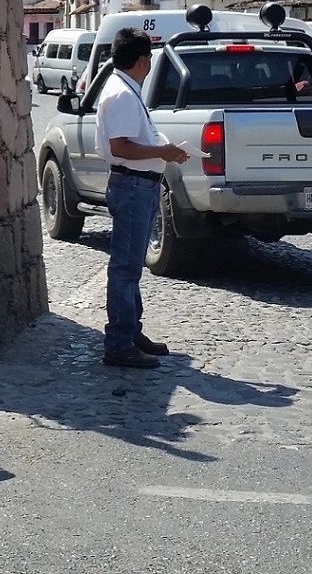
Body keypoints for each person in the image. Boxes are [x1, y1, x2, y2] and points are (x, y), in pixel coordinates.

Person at [93, 28, 189, 369]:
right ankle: (119, 341)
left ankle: (130, 332)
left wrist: (160, 149)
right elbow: (120, 148)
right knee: (125, 268)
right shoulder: (121, 94)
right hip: (132, 185)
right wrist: (163, 150)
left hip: (138, 185)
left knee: (130, 266)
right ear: (142, 61)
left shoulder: (125, 90)